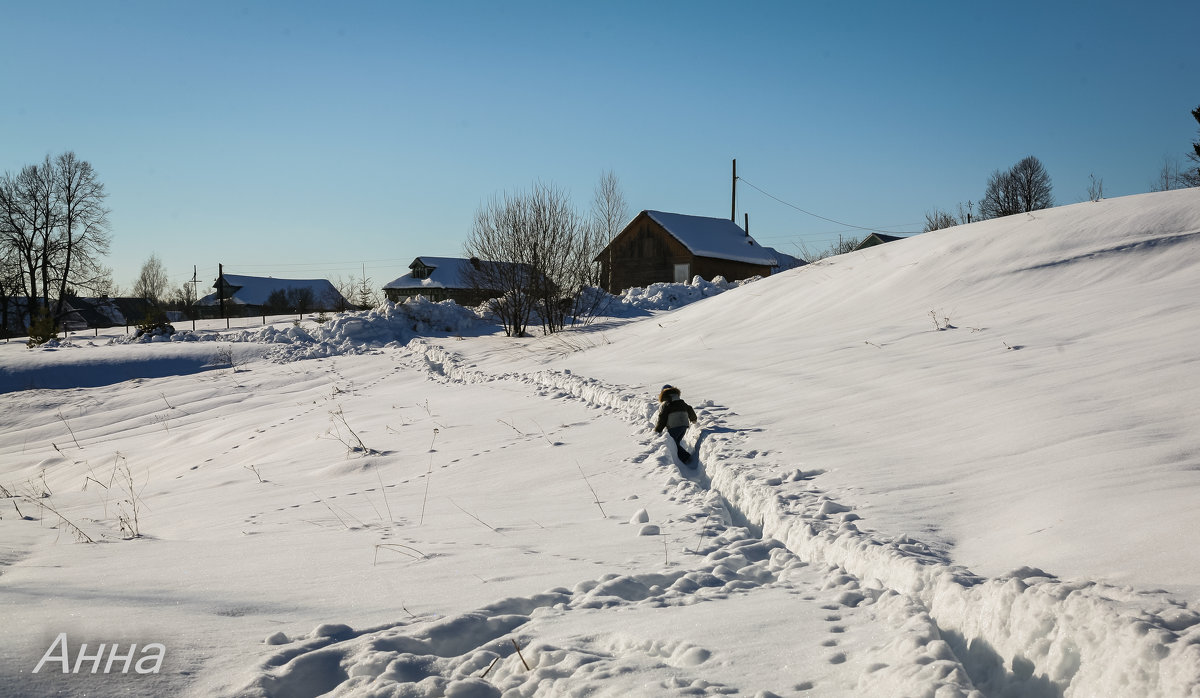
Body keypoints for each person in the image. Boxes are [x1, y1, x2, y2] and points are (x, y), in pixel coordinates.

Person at [655, 384, 698, 465]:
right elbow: (690, 409)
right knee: (676, 443)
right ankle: (682, 460)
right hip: (684, 426)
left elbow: (662, 417)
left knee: (673, 444)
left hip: (674, 426)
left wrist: (658, 429)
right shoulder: (681, 402)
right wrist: (693, 419)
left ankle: (687, 459)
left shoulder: (666, 403)